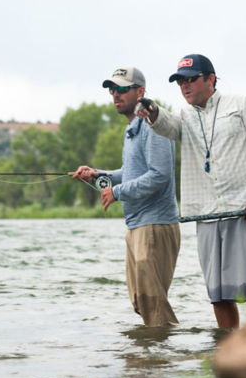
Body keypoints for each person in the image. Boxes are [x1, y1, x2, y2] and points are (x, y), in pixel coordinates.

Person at [138, 54, 246, 329]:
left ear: (210, 79)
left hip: (244, 211)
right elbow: (170, 126)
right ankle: (229, 352)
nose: (185, 86)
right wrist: (153, 112)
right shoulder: (185, 114)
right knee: (219, 295)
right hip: (205, 215)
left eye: (191, 79)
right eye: (180, 82)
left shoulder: (241, 105)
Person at [71, 66, 180, 327]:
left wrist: (116, 192)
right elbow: (131, 173)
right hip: (137, 226)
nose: (115, 95)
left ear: (141, 91)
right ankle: (151, 362)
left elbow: (159, 175)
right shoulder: (132, 129)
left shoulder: (153, 125)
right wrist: (98, 175)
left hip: (155, 225)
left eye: (121, 89)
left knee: (154, 306)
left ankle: (162, 361)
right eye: (112, 90)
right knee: (142, 303)